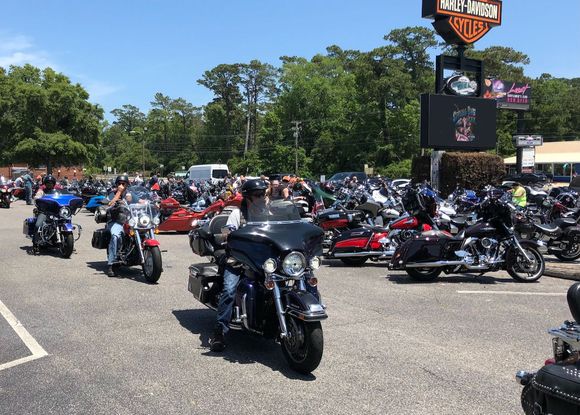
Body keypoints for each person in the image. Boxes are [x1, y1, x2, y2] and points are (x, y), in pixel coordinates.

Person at [209, 179, 269, 352]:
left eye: (263, 194)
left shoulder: (269, 213)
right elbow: (226, 232)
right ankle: (219, 332)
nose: (262, 198)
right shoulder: (237, 214)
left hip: (264, 261)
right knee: (229, 290)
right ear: (248, 197)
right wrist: (228, 235)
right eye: (258, 195)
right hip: (238, 260)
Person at [105, 174, 131, 277]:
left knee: (146, 230)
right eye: (119, 183)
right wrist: (119, 192)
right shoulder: (112, 194)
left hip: (130, 221)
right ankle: (111, 263)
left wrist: (153, 203)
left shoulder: (130, 194)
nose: (121, 185)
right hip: (116, 221)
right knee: (115, 236)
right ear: (116, 185)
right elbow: (110, 204)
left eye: (123, 184)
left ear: (127, 185)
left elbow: (140, 200)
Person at [32, 175, 58, 252]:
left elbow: (63, 197)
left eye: (51, 183)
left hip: (56, 212)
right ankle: (35, 243)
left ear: (53, 184)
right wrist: (37, 198)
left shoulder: (57, 192)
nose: (49, 184)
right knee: (38, 225)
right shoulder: (42, 191)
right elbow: (36, 197)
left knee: (64, 221)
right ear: (45, 184)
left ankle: (67, 242)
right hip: (44, 212)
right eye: (48, 183)